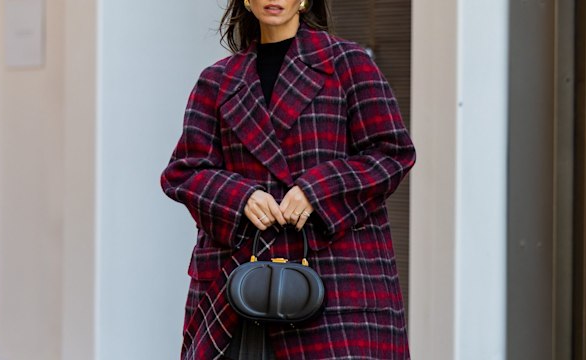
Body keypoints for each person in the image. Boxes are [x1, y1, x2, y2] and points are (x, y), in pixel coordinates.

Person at [160, 0, 416, 358]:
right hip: (239, 282)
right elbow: (184, 171)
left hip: (335, 279)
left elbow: (391, 152)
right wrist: (241, 197)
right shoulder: (217, 81)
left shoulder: (348, 64)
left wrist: (317, 191)